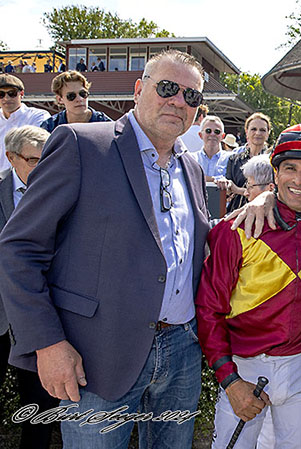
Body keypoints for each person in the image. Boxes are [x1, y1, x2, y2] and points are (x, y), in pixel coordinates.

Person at [0, 49, 211, 448]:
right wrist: (47, 343)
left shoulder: (192, 167)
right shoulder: (82, 145)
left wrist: (261, 202)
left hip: (181, 351)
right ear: (138, 89)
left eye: (192, 96)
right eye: (167, 88)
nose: (179, 101)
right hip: (95, 354)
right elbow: (20, 246)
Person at [196, 123, 301, 449]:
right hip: (244, 368)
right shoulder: (237, 229)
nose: (299, 181)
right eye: (290, 168)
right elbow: (208, 309)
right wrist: (229, 380)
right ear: (275, 171)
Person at [0, 125, 59, 449]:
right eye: (34, 160)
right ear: (11, 158)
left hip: (38, 319)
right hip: (0, 315)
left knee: (38, 409)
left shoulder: (59, 191)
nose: (43, 167)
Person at [223, 112, 272, 213]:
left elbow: (273, 192)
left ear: (268, 134)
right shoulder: (234, 160)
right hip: (236, 212)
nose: (258, 133)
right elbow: (228, 191)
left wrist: (237, 190)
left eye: (262, 130)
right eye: (254, 129)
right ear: (247, 132)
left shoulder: (272, 161)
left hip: (264, 213)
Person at [0, 74, 50, 172]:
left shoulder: (38, 116)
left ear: (21, 94)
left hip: (27, 179)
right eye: (1, 94)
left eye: (12, 93)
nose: (6, 98)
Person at [40, 70, 112, 133]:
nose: (79, 99)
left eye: (83, 94)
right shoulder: (49, 127)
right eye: (71, 96)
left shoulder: (106, 125)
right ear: (59, 99)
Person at [190, 115, 230, 186]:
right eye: (208, 131)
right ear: (200, 135)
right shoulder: (191, 159)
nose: (212, 134)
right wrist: (215, 179)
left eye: (217, 131)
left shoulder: (230, 159)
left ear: (222, 136)